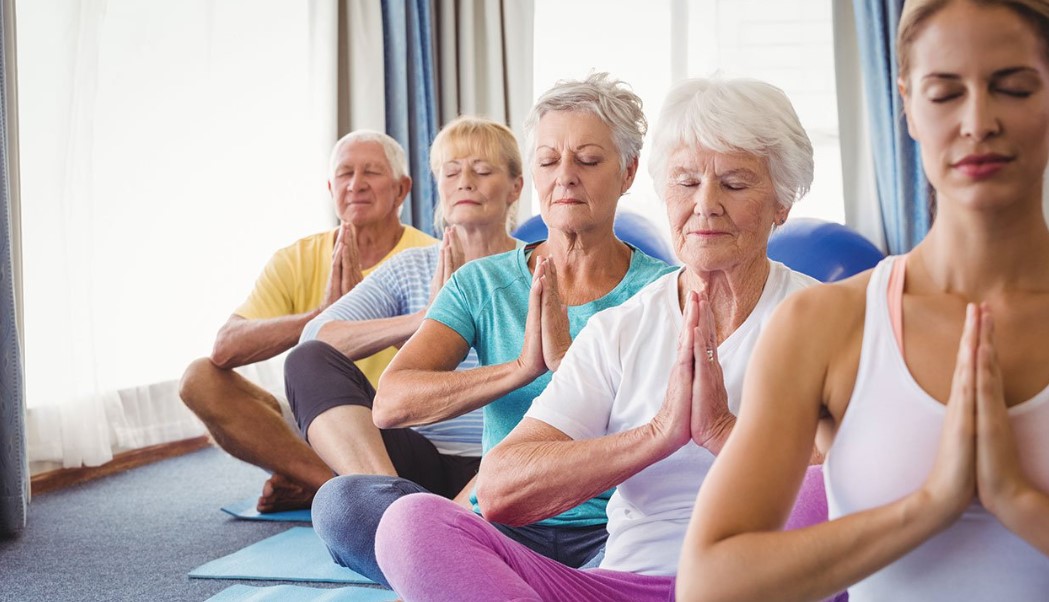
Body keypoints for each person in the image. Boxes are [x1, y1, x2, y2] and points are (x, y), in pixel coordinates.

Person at [370, 76, 825, 602]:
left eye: (735, 184)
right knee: (412, 523)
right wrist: (657, 435)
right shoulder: (622, 327)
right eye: (685, 182)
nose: (705, 205)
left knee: (822, 499)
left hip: (757, 583)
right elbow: (499, 490)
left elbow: (874, 481)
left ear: (782, 203)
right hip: (621, 585)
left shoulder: (827, 318)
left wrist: (723, 430)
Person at [680, 1, 1049, 601]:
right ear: (906, 103)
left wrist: (1017, 500)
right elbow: (713, 583)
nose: (978, 121)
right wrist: (929, 506)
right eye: (945, 92)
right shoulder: (824, 324)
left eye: (1012, 87)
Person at [311, 73, 675, 586]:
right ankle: (522, 584)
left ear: (628, 171)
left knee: (672, 553)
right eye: (549, 161)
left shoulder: (664, 291)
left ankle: (494, 585)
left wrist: (571, 369)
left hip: (614, 529)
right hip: (500, 526)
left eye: (589, 161)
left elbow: (670, 432)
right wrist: (521, 369)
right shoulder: (482, 282)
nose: (565, 177)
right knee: (342, 505)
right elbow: (391, 403)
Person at [287, 117, 524, 584]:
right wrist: (423, 320)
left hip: (507, 463)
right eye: (452, 171)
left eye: (482, 170)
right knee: (306, 361)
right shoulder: (412, 268)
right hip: (418, 465)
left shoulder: (537, 268)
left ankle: (424, 547)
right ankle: (394, 513)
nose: (466, 182)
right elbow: (316, 337)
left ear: (515, 187)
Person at [179, 131, 435, 512]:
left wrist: (367, 317)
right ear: (331, 188)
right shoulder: (295, 257)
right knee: (199, 378)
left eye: (372, 172)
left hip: (397, 427)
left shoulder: (428, 257)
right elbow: (225, 347)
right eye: (345, 173)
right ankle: (325, 482)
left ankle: (338, 483)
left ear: (401, 190)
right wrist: (323, 315)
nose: (356, 184)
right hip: (317, 419)